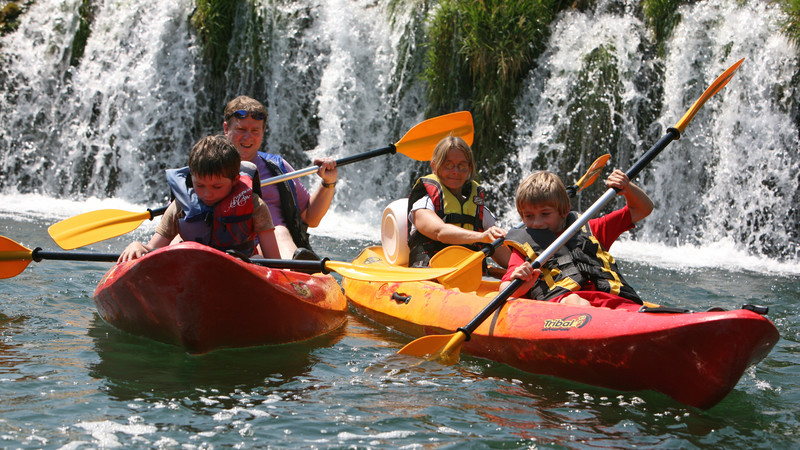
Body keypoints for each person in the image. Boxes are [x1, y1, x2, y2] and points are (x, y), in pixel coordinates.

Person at [500, 169, 654, 311]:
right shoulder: (524, 245)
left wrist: (628, 188)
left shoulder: (592, 229)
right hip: (564, 307)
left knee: (626, 306)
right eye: (528, 216)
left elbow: (643, 209)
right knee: (573, 300)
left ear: (565, 210)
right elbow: (504, 289)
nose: (537, 223)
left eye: (545, 214)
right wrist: (521, 283)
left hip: (613, 300)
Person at [118, 135, 280, 263]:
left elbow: (274, 260)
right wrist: (137, 245)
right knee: (174, 252)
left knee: (258, 260)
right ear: (191, 179)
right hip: (193, 268)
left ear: (235, 180)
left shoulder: (254, 205)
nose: (207, 194)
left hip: (241, 266)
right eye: (200, 185)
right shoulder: (180, 206)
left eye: (217, 187)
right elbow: (152, 248)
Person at [222, 95, 337, 260]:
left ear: (263, 131)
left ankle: (293, 269)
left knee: (279, 231)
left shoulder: (277, 167)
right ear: (226, 129)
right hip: (225, 246)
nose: (248, 137)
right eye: (241, 130)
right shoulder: (207, 164)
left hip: (275, 246)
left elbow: (311, 218)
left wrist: (328, 182)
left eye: (255, 131)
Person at [406, 135, 510, 270]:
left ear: (470, 168)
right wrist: (482, 236)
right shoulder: (424, 204)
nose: (455, 171)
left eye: (462, 166)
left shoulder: (479, 210)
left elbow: (502, 253)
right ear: (434, 165)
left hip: (469, 276)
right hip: (431, 274)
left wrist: (523, 267)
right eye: (448, 165)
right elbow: (440, 232)